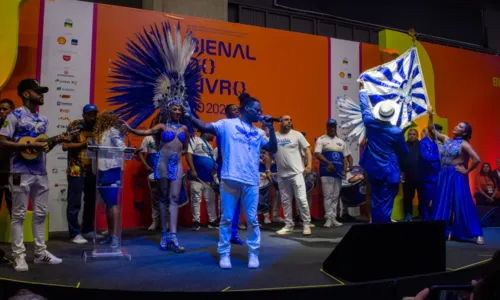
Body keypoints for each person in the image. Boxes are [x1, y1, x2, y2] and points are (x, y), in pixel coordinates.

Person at [186, 92, 278, 269]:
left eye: (261, 109)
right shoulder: (227, 124)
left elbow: (272, 147)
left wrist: (271, 128)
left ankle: (253, 253)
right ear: (245, 109)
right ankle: (224, 254)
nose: (261, 112)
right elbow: (205, 126)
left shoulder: (258, 132)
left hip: (251, 181)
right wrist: (190, 116)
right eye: (257, 109)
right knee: (227, 218)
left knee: (252, 219)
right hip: (230, 178)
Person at [0, 79, 64, 271]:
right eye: (38, 92)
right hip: (20, 171)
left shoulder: (43, 120)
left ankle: (40, 252)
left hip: (40, 172)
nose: (41, 95)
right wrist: (28, 145)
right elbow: (2, 141)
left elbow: (40, 148)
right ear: (26, 94)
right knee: (18, 214)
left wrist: (53, 143)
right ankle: (19, 255)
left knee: (40, 213)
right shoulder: (14, 116)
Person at [122, 103, 188, 253]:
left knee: (175, 198)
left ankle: (174, 235)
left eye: (179, 110)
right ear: (168, 111)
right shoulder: (161, 127)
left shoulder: (184, 128)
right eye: (174, 109)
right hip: (163, 164)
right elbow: (145, 132)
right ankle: (164, 234)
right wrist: (131, 129)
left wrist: (175, 155)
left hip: (176, 165)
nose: (177, 112)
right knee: (163, 198)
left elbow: (185, 148)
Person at [428, 105, 484, 244]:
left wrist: (466, 171)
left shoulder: (464, 144)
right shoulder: (446, 139)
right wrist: (430, 115)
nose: (456, 127)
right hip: (444, 174)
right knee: (442, 202)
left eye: (459, 126)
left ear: (464, 132)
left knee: (462, 202)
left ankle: (476, 233)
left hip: (456, 175)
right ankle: (440, 231)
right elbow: (431, 129)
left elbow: (477, 159)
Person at [358, 90, 409, 223]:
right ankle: (383, 233)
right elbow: (404, 152)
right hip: (389, 170)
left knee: (376, 200)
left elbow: (364, 108)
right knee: (386, 204)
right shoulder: (396, 132)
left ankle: (376, 229)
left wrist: (363, 91)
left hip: (373, 169)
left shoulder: (369, 123)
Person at [63, 104, 103, 244]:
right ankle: (74, 233)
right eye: (89, 114)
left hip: (91, 170)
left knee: (91, 202)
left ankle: (87, 230)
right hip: (76, 170)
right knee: (74, 203)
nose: (93, 117)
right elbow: (65, 146)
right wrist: (83, 144)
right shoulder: (75, 126)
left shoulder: (97, 127)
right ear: (84, 115)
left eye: (94, 114)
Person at [93, 111, 127, 248]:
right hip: (102, 170)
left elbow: (121, 146)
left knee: (113, 204)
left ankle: (115, 236)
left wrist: (127, 149)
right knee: (107, 205)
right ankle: (110, 234)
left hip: (112, 170)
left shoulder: (113, 131)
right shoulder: (102, 133)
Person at [274, 115, 313, 236]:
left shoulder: (297, 135)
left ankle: (306, 224)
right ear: (280, 122)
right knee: (285, 201)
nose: (289, 122)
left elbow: (307, 149)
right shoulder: (274, 136)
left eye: (290, 120)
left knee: (301, 199)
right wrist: (269, 169)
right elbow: (270, 153)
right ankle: (288, 225)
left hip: (296, 173)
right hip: (282, 174)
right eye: (286, 120)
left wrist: (309, 165)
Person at [215, 104, 245, 245]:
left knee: (238, 202)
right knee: (227, 204)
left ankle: (234, 233)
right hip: (227, 169)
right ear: (226, 113)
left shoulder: (243, 127)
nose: (237, 111)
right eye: (233, 109)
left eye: (237, 109)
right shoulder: (224, 128)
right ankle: (225, 235)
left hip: (240, 170)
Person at [314, 119, 352, 227]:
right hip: (326, 172)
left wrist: (344, 170)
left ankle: (334, 218)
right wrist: (328, 163)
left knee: (335, 196)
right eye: (330, 126)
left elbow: (345, 158)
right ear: (327, 127)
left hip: (338, 173)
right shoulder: (321, 139)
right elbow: (317, 154)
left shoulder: (341, 142)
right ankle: (328, 219)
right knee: (328, 196)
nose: (332, 128)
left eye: (334, 126)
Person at [186, 131, 218, 230]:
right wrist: (193, 170)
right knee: (196, 200)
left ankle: (212, 221)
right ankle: (196, 221)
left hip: (208, 178)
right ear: (204, 133)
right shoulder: (194, 139)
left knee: (210, 200)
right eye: (211, 133)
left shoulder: (209, 145)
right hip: (197, 177)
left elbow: (211, 161)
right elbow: (188, 154)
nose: (213, 135)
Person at [137, 115, 161, 231]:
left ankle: (166, 222)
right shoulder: (147, 138)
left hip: (165, 169)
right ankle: (155, 221)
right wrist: (146, 166)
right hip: (152, 170)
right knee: (155, 196)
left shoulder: (167, 137)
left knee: (166, 196)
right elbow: (140, 152)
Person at [401, 128, 426, 222]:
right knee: (407, 197)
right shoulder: (403, 145)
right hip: (407, 176)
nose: (411, 136)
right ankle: (408, 215)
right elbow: (400, 160)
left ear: (417, 136)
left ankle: (422, 214)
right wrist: (401, 172)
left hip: (421, 175)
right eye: (410, 134)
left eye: (414, 134)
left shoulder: (422, 145)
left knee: (422, 196)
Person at [419, 127, 441, 218]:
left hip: (438, 176)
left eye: (440, 132)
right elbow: (426, 157)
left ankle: (436, 220)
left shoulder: (439, 143)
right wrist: (440, 157)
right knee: (426, 201)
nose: (439, 134)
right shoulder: (423, 142)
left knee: (437, 201)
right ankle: (425, 221)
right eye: (437, 132)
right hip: (427, 177)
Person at [0, 98, 14, 215]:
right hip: (0, 172)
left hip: (14, 172)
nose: (2, 111)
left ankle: (17, 233)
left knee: (14, 208)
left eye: (5, 109)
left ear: (12, 111)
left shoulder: (19, 128)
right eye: (0, 109)